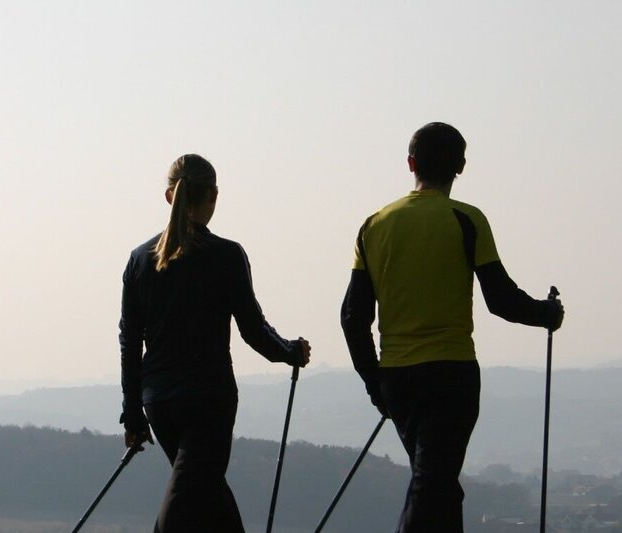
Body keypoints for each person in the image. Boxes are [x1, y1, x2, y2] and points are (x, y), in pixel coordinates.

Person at [341, 122, 564, 532]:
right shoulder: (467, 220)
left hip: (398, 379)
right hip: (451, 374)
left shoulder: (373, 225)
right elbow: (501, 300)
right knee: (433, 483)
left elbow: (353, 318)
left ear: (411, 164)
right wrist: (547, 314)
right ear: (460, 166)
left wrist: (375, 383)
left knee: (439, 485)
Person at [119, 154, 311, 533]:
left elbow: (130, 341)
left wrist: (133, 412)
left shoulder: (139, 260)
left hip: (158, 401)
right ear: (214, 195)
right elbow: (254, 330)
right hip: (208, 399)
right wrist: (289, 351)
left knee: (206, 492)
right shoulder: (225, 256)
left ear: (169, 196)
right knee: (189, 494)